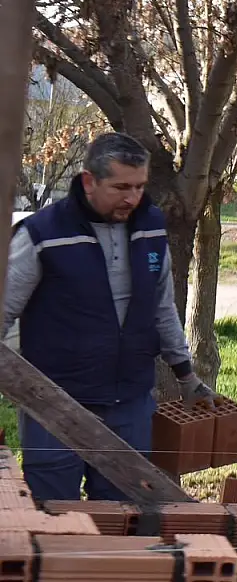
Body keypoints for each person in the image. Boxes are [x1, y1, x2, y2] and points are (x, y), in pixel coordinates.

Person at [2, 133, 214, 501]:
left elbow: (161, 306)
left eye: (140, 186)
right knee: (54, 517)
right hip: (55, 404)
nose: (132, 197)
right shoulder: (41, 233)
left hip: (129, 401)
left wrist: (186, 375)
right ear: (89, 181)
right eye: (120, 187)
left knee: (124, 516)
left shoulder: (150, 226)